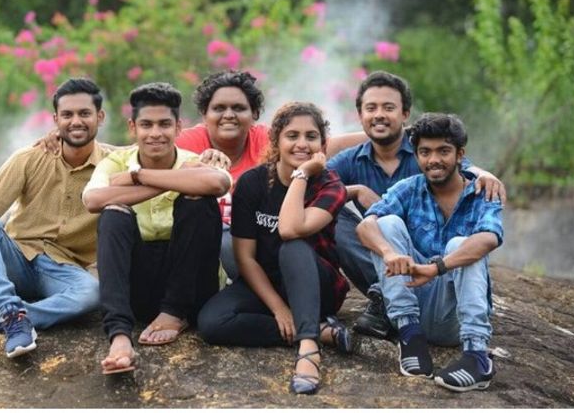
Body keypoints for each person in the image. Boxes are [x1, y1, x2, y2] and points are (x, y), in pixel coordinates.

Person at [326, 71, 506, 340]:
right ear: (360, 115)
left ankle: (463, 334)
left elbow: (462, 168)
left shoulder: (425, 152)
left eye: (389, 108)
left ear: (405, 114)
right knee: (334, 213)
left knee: (399, 226)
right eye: (371, 108)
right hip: (386, 260)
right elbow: (315, 190)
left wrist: (485, 174)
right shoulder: (351, 159)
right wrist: (356, 191)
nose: (379, 115)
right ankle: (383, 297)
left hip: (434, 265)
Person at [197, 102, 356, 396]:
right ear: (276, 141)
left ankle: (308, 348)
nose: (302, 144)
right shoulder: (252, 183)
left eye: (311, 137)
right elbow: (245, 257)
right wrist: (278, 309)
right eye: (292, 136)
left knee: (292, 246)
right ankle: (320, 330)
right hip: (267, 283)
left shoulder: (330, 185)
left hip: (315, 284)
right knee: (212, 323)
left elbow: (290, 229)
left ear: (322, 144)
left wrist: (302, 174)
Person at [0, 78, 108, 358]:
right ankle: (7, 308)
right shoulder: (30, 157)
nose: (76, 121)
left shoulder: (112, 165)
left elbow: (154, 152)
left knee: (91, 294)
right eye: (67, 115)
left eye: (84, 113)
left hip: (62, 270)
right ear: (56, 120)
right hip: (17, 258)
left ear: (100, 117)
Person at [82, 82, 232, 375]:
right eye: (146, 125)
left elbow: (218, 183)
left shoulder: (193, 161)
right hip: (141, 287)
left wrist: (137, 177)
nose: (155, 133)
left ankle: (175, 313)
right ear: (132, 127)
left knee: (198, 202)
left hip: (192, 289)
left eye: (164, 124)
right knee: (113, 214)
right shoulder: (117, 162)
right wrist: (170, 180)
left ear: (178, 127)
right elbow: (93, 200)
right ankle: (119, 336)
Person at [356, 113, 503, 392]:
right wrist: (389, 253)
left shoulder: (483, 192)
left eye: (443, 151)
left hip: (452, 318)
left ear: (460, 155)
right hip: (412, 303)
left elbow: (489, 238)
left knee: (463, 244)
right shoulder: (408, 189)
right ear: (417, 155)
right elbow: (365, 226)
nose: (433, 159)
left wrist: (436, 268)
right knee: (385, 224)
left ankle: (477, 357)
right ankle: (410, 336)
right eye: (425, 152)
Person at [178, 70, 368, 282]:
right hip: (221, 243)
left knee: (334, 213)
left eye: (239, 108)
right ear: (204, 114)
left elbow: (328, 146)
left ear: (254, 113)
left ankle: (379, 285)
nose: (229, 115)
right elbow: (151, 162)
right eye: (219, 108)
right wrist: (195, 167)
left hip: (273, 234)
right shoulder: (188, 142)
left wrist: (391, 133)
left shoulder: (265, 139)